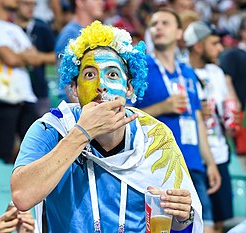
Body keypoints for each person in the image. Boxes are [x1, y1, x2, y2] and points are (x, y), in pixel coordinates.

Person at [11, 21, 203, 232]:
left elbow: (177, 225)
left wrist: (184, 217)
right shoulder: (52, 128)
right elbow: (22, 196)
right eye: (89, 74)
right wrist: (82, 133)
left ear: (129, 88)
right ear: (74, 89)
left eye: (112, 74)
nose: (100, 84)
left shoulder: (154, 136)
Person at [134, 8, 221, 233]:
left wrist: (209, 162)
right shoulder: (141, 69)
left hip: (193, 162)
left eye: (165, 23)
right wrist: (162, 107)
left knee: (206, 227)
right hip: (160, 164)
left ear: (180, 32)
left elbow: (198, 120)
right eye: (154, 24)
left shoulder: (188, 72)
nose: (158, 28)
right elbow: (128, 116)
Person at [0, 0, 47, 163]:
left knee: (37, 148)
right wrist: (24, 57)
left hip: (25, 95)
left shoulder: (14, 28)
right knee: (5, 150)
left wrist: (20, 57)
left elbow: (35, 58)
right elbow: (11, 59)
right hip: (2, 95)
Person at [184, 20, 235, 233]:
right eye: (214, 43)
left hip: (220, 154)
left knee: (220, 221)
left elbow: (228, 109)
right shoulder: (182, 71)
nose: (220, 48)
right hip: (197, 157)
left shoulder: (217, 72)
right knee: (200, 224)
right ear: (198, 46)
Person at [54, 0, 104, 103]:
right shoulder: (70, 34)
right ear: (80, 2)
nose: (101, 2)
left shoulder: (98, 33)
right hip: (75, 112)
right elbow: (67, 84)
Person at [15, 0, 56, 117]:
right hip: (14, 90)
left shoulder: (42, 28)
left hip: (38, 90)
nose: (31, 8)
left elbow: (56, 56)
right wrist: (25, 57)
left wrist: (39, 57)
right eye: (26, 4)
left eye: (33, 4)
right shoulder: (8, 27)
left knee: (41, 130)